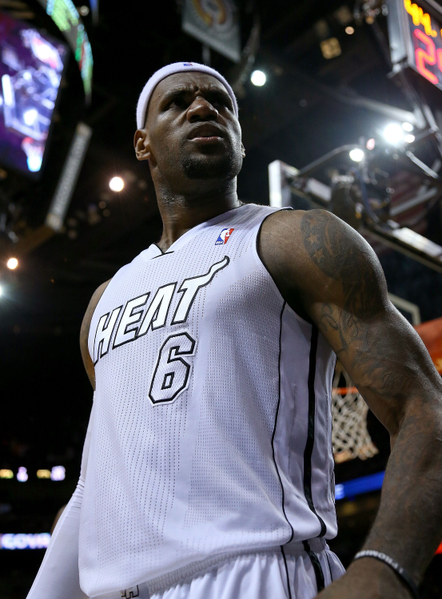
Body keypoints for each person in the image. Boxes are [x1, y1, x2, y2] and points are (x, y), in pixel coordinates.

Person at [26, 62, 442, 599]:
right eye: (178, 102)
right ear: (142, 143)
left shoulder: (296, 239)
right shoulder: (104, 302)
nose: (204, 108)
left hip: (257, 573)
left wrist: (385, 567)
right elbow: (96, 482)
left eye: (221, 103)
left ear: (241, 139)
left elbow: (421, 406)